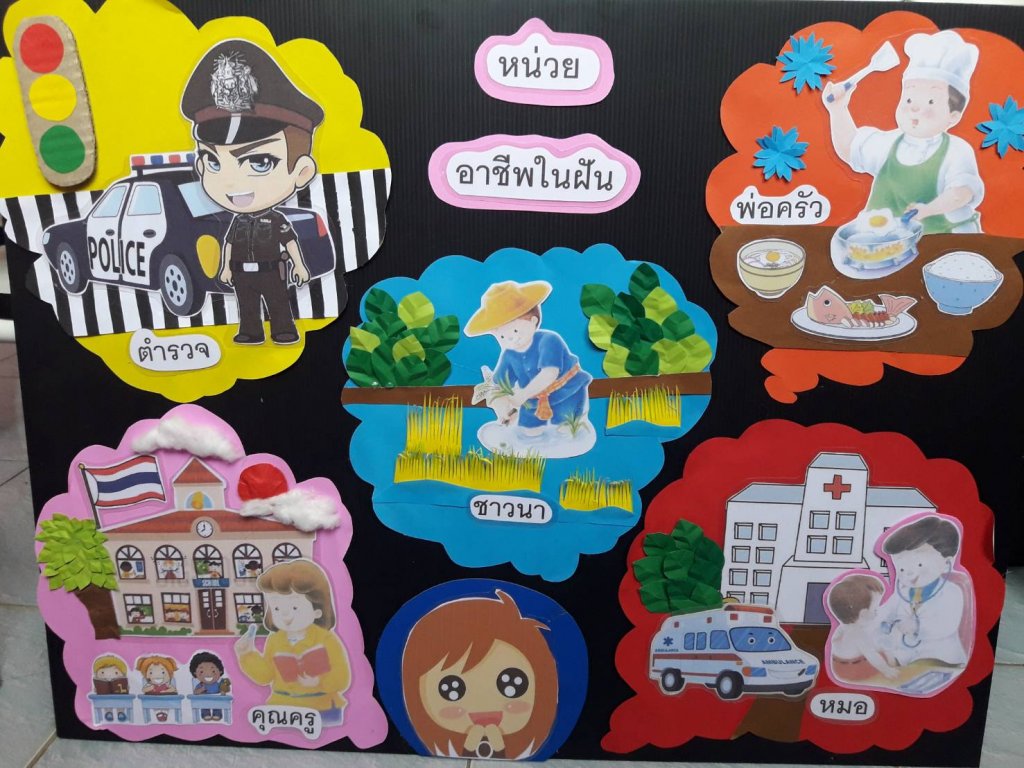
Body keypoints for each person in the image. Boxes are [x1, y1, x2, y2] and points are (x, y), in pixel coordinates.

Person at [181, 40, 324, 344]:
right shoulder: (238, 222)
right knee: (246, 308)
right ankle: (249, 331)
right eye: (213, 160)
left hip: (271, 271)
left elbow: (290, 241)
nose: (231, 182)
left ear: (302, 172)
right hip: (241, 274)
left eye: (260, 162)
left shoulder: (276, 220)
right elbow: (229, 244)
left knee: (278, 304)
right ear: (201, 166)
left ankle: (283, 330)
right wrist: (224, 268)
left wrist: (299, 265)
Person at [823, 30, 983, 234]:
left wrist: (928, 209)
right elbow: (849, 148)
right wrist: (838, 110)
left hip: (944, 239)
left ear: (953, 116)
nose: (914, 108)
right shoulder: (886, 143)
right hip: (885, 240)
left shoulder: (956, 150)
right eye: (909, 99)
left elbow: (962, 192)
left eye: (930, 101)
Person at [401, 590, 558, 760]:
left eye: (512, 684)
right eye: (452, 689)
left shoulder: (527, 748)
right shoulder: (441, 747)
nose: (484, 704)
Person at [466, 281, 593, 453]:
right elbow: (498, 387)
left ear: (533, 321)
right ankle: (534, 449)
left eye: (515, 331)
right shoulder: (509, 355)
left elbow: (550, 373)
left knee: (567, 430)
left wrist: (523, 394)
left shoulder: (549, 340)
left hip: (567, 391)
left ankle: (567, 442)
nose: (511, 339)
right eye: (502, 336)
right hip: (533, 402)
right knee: (528, 433)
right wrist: (504, 409)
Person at [234, 559, 350, 726]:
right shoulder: (275, 639)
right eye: (276, 608)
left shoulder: (326, 639)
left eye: (295, 607)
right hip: (282, 708)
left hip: (322, 708)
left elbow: (342, 677)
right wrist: (247, 655)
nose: (285, 615)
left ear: (317, 611)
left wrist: (319, 682)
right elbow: (265, 676)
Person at [879, 515, 969, 666]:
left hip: (941, 657)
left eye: (919, 564)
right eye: (901, 568)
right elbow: (888, 609)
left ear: (947, 561)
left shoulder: (951, 593)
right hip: (906, 657)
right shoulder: (903, 592)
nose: (908, 573)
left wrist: (918, 628)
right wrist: (881, 621)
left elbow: (947, 625)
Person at [827, 574, 899, 682]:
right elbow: (871, 655)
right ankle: (894, 665)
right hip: (852, 670)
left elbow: (835, 642)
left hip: (838, 667)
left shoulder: (843, 628)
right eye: (875, 609)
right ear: (863, 614)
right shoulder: (858, 633)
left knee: (878, 644)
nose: (877, 612)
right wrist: (886, 670)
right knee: (884, 650)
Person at [190, 651, 231, 722]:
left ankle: (217, 714)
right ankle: (205, 714)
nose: (208, 674)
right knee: (204, 706)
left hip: (217, 701)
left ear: (220, 672)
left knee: (218, 706)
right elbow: (195, 692)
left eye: (213, 671)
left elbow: (222, 690)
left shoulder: (218, 684)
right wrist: (201, 689)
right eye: (202, 671)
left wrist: (223, 692)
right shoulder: (201, 685)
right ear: (195, 673)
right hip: (204, 701)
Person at [137, 655, 179, 723]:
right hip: (153, 699)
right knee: (155, 704)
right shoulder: (150, 685)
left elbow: (173, 689)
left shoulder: (167, 684)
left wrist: (166, 691)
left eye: (163, 672)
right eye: (151, 673)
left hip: (166, 700)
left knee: (166, 705)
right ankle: (158, 712)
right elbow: (143, 690)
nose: (157, 676)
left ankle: (165, 712)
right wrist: (150, 688)